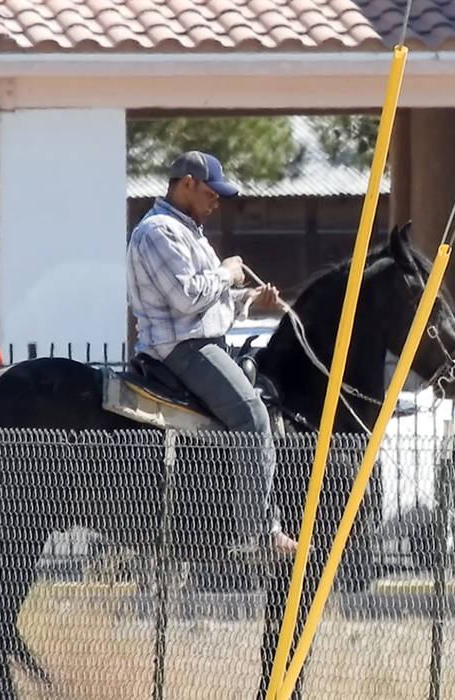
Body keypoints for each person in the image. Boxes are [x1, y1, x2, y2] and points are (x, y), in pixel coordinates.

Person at [126, 150, 298, 557]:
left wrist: (248, 299)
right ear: (186, 184)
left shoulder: (188, 231)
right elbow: (187, 299)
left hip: (199, 339)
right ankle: (259, 533)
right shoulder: (158, 232)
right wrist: (227, 271)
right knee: (252, 415)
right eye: (210, 192)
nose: (216, 201)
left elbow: (208, 303)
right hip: (180, 349)